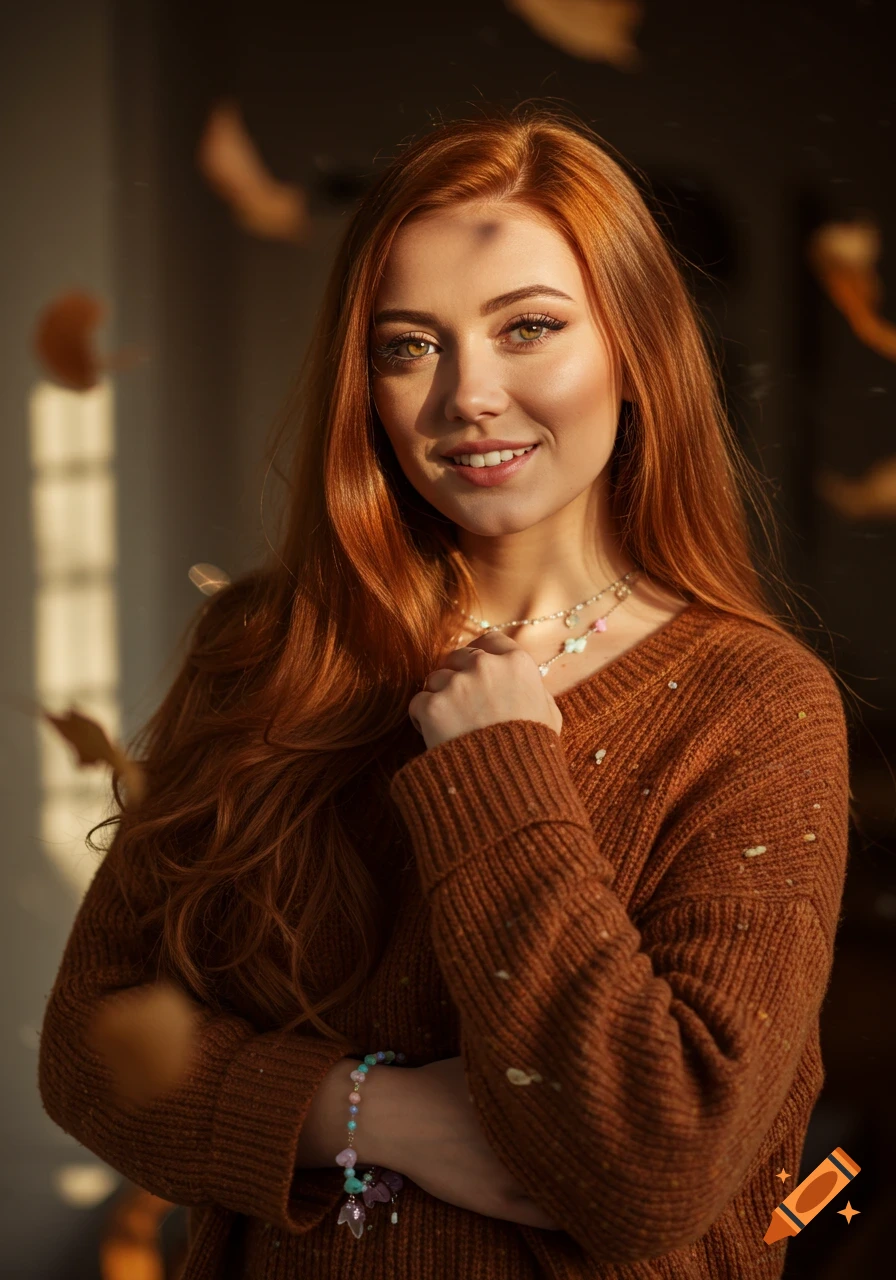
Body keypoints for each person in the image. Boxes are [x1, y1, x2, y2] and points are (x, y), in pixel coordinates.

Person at [38, 103, 853, 1280]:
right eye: (408, 344)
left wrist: (496, 772)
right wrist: (369, 1109)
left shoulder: (756, 703)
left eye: (528, 327)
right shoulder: (267, 643)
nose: (466, 394)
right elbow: (88, 1047)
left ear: (634, 351)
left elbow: (653, 1167)